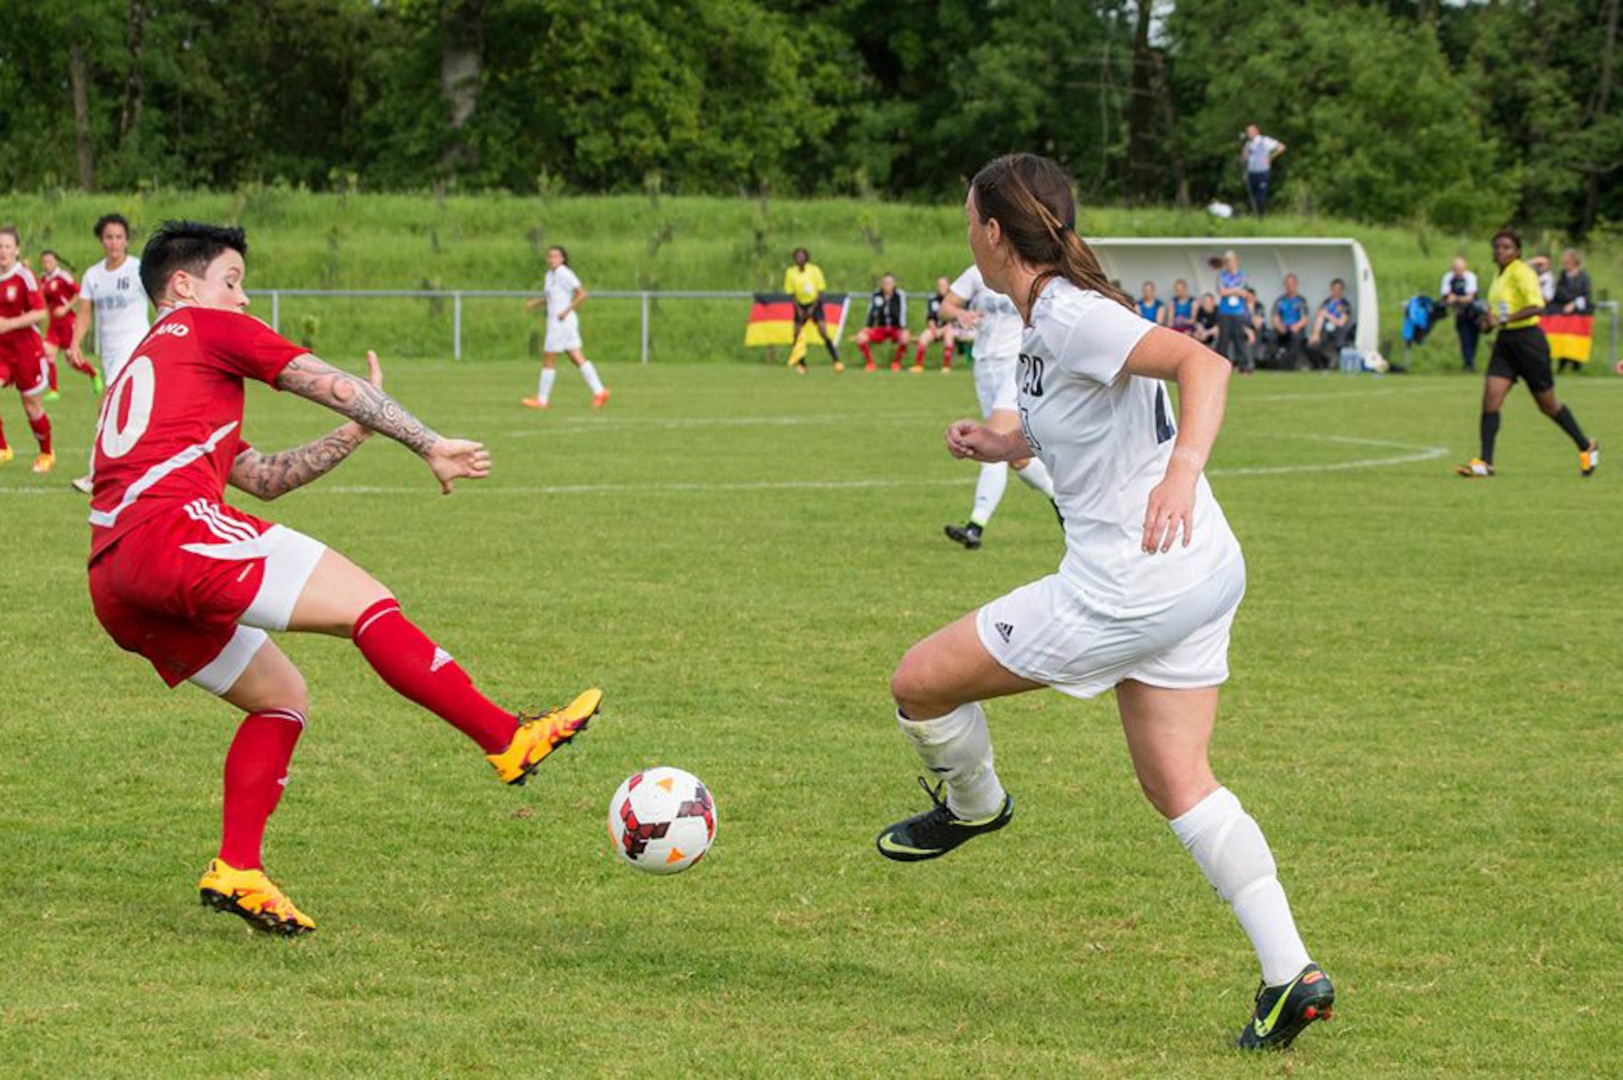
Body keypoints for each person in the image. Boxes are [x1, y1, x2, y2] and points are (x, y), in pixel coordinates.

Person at [875, 154, 1333, 1051]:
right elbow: (1072, 425)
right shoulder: (1046, 315)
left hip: (1125, 588)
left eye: (968, 217)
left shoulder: (1073, 312)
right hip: (1200, 574)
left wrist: (1182, 473)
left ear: (993, 232)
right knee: (1177, 783)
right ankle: (1291, 975)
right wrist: (998, 441)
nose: (964, 231)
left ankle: (974, 805)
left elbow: (1202, 364)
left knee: (919, 683)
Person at [87, 221, 602, 936]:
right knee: (367, 603)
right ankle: (505, 738)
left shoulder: (152, 366)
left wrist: (356, 435)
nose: (242, 299)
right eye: (232, 281)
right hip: (176, 534)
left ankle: (238, 867)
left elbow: (263, 478)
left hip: (113, 578)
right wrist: (427, 442)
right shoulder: (204, 329)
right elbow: (325, 382)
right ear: (184, 286)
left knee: (282, 698)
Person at [1457, 228, 1598, 479]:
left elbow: (1537, 306)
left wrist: (1504, 319)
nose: (1500, 251)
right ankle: (1485, 462)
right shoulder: (1499, 276)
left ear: (1517, 251)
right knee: (1491, 399)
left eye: (1507, 247)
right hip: (1505, 343)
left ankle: (1586, 446)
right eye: (1497, 246)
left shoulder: (1522, 272)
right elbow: (1497, 310)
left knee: (1548, 405)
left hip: (1529, 342)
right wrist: (1488, 322)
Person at [938, 261, 1056, 550]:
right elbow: (945, 307)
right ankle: (1061, 500)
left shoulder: (1029, 269)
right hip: (984, 366)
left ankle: (975, 527)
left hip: (1015, 366)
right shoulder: (979, 271)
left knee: (993, 440)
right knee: (1016, 458)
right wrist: (961, 313)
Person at [71, 213, 151, 493]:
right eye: (108, 237)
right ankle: (139, 468)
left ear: (127, 240)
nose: (114, 242)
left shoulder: (139, 270)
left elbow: (164, 297)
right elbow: (84, 314)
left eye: (119, 237)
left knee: (106, 405)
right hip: (110, 352)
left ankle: (95, 475)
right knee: (131, 413)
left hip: (136, 346)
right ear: (101, 240)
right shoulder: (93, 275)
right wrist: (74, 343)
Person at [522, 246, 608, 410]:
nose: (551, 259)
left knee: (549, 358)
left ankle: (542, 400)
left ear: (562, 259)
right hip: (560, 322)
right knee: (576, 357)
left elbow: (582, 293)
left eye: (555, 256)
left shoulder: (564, 273)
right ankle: (600, 391)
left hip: (561, 322)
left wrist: (566, 311)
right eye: (549, 256)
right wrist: (536, 303)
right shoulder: (550, 275)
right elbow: (553, 297)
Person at [0, 226, 55, 472]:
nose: (2, 251)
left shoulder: (24, 275)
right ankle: (3, 449)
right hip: (2, 351)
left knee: (31, 405)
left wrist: (10, 323)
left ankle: (46, 453)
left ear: (17, 249)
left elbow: (41, 312)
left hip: (26, 351)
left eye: (7, 246)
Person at [38, 250, 92, 400]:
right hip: (54, 326)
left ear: (55, 262)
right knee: (47, 353)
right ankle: (54, 390)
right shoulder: (42, 280)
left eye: (50, 261)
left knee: (72, 359)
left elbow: (78, 292)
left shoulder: (63, 276)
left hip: (68, 323)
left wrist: (65, 308)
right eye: (44, 262)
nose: (47, 265)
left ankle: (93, 374)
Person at [781, 247, 843, 373]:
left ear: (806, 258)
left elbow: (820, 291)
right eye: (797, 257)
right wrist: (798, 309)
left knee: (823, 331)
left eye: (802, 256)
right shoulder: (791, 272)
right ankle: (801, 364)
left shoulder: (814, 270)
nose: (800, 259)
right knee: (797, 334)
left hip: (815, 304)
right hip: (800, 305)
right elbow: (791, 293)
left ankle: (836, 360)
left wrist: (812, 308)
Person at [855, 272, 911, 372]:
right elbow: (871, 311)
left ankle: (896, 363)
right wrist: (868, 326)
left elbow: (903, 311)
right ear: (882, 284)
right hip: (881, 328)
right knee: (860, 337)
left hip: (895, 328)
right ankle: (870, 363)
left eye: (889, 283)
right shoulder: (877, 295)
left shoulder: (899, 295)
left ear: (893, 284)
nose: (887, 286)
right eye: (885, 283)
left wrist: (903, 327)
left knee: (905, 336)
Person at [1550, 249, 1593, 375]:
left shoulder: (1583, 276)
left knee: (1575, 340)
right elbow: (1558, 293)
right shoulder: (1562, 276)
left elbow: (1586, 295)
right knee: (1563, 340)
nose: (1565, 263)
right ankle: (1561, 366)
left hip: (1578, 315)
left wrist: (1574, 304)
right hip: (1563, 314)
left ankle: (1576, 366)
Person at [1439, 257, 1481, 373]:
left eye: (1461, 268)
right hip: (1460, 313)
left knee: (1474, 338)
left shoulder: (1470, 277)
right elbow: (1446, 297)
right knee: (1464, 338)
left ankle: (1470, 362)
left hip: (1474, 313)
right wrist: (1455, 299)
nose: (1458, 270)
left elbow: (1470, 297)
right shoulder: (1448, 277)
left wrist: (1456, 298)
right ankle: (1468, 364)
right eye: (1456, 268)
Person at [910, 276, 957, 372]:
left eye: (944, 285)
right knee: (923, 337)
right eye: (940, 285)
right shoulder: (933, 301)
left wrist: (942, 330)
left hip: (948, 328)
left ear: (948, 286)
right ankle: (918, 366)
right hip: (935, 328)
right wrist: (935, 330)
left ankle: (946, 366)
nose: (941, 287)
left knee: (949, 335)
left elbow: (953, 320)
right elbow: (930, 318)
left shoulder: (953, 300)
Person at [1215, 251, 1251, 370]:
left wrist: (1230, 290)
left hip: (1238, 312)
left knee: (1239, 339)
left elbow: (1244, 292)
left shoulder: (1243, 275)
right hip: (1224, 311)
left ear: (1236, 261)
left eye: (1231, 261)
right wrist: (1235, 290)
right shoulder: (1221, 276)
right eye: (1227, 261)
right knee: (1223, 339)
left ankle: (1243, 365)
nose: (1229, 264)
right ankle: (1220, 366)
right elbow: (1221, 292)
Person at [1306, 279, 1352, 370]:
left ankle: (1339, 365)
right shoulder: (1326, 303)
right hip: (1325, 329)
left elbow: (1341, 322)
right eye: (1334, 289)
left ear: (1342, 290)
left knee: (1340, 343)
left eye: (1339, 289)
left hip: (1339, 330)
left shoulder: (1345, 304)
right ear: (1331, 289)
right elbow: (1319, 318)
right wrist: (1315, 333)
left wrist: (1327, 315)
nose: (1336, 291)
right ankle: (1322, 363)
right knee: (1311, 345)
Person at [1241, 124, 1286, 217]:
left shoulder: (1265, 141)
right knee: (1251, 196)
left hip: (1262, 172)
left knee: (1261, 196)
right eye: (1248, 132)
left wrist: (1271, 157)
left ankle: (1260, 216)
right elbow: (1245, 158)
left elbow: (1281, 147)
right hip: (1251, 172)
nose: (1249, 134)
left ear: (1257, 131)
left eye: (1251, 131)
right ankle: (1253, 215)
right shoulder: (1248, 144)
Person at [1269, 274, 1310, 370]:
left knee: (1295, 337)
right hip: (1283, 328)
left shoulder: (1301, 301)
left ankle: (1289, 366)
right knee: (1270, 336)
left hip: (1296, 328)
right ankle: (1274, 363)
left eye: (1292, 284)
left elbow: (1305, 319)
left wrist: (1296, 326)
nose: (1290, 286)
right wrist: (1279, 326)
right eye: (1287, 284)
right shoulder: (1280, 301)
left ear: (1296, 285)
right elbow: (1275, 317)